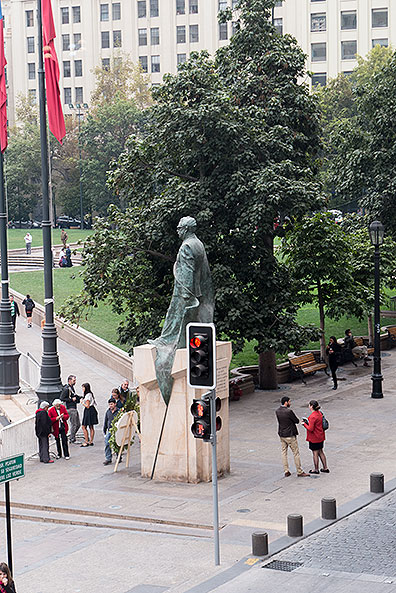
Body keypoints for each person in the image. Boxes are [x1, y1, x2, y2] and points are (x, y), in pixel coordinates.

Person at [275, 396, 309, 477]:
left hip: (282, 434)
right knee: (295, 453)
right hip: (290, 434)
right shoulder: (289, 411)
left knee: (284, 452)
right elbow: (296, 421)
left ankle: (286, 470)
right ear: (286, 402)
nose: (290, 403)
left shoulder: (277, 411)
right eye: (289, 401)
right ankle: (299, 471)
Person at [302, 400, 329, 474]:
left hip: (314, 437)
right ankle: (325, 467)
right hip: (321, 436)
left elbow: (310, 428)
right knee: (321, 451)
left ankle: (316, 469)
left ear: (311, 406)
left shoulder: (312, 416)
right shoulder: (320, 413)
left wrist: (304, 424)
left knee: (315, 453)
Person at [61, 374, 81, 443]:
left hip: (73, 407)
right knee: (74, 424)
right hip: (70, 408)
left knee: (78, 424)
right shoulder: (67, 389)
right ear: (69, 381)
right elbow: (62, 398)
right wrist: (71, 399)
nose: (75, 382)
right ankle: (72, 438)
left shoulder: (71, 388)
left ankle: (72, 436)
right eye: (74, 380)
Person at [80, 383, 99, 447]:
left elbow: (87, 406)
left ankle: (86, 441)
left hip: (88, 411)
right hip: (92, 410)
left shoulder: (88, 395)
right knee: (91, 426)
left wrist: (82, 403)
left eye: (83, 387)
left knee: (84, 426)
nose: (82, 389)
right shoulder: (90, 394)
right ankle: (91, 441)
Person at [103, 397, 119, 465]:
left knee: (117, 444)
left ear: (115, 404)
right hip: (110, 430)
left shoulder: (118, 411)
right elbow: (106, 420)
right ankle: (108, 458)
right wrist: (104, 429)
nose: (110, 406)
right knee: (107, 443)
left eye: (112, 404)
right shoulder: (108, 411)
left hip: (116, 430)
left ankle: (119, 456)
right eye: (109, 404)